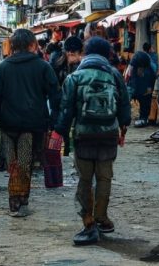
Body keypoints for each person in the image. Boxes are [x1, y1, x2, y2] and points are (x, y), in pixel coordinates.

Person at [54, 37, 131, 245]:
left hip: (83, 136)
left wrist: (58, 133)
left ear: (85, 54)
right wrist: (123, 128)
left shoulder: (75, 77)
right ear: (108, 55)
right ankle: (102, 217)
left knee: (85, 179)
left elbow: (66, 109)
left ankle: (88, 222)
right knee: (104, 178)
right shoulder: (115, 74)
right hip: (108, 136)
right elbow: (124, 105)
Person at [0, 29, 60, 217]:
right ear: (32, 44)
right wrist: (54, 121)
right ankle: (21, 200)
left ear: (13, 46)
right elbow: (55, 96)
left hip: (8, 125)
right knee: (25, 163)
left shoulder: (3, 67)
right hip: (33, 125)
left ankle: (16, 201)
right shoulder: (43, 67)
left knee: (14, 164)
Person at [125, 49, 156, 127]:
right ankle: (126, 117)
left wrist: (148, 89)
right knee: (126, 100)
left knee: (145, 101)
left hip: (143, 88)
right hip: (135, 86)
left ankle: (143, 118)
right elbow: (128, 76)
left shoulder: (149, 70)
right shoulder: (134, 65)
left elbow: (151, 81)